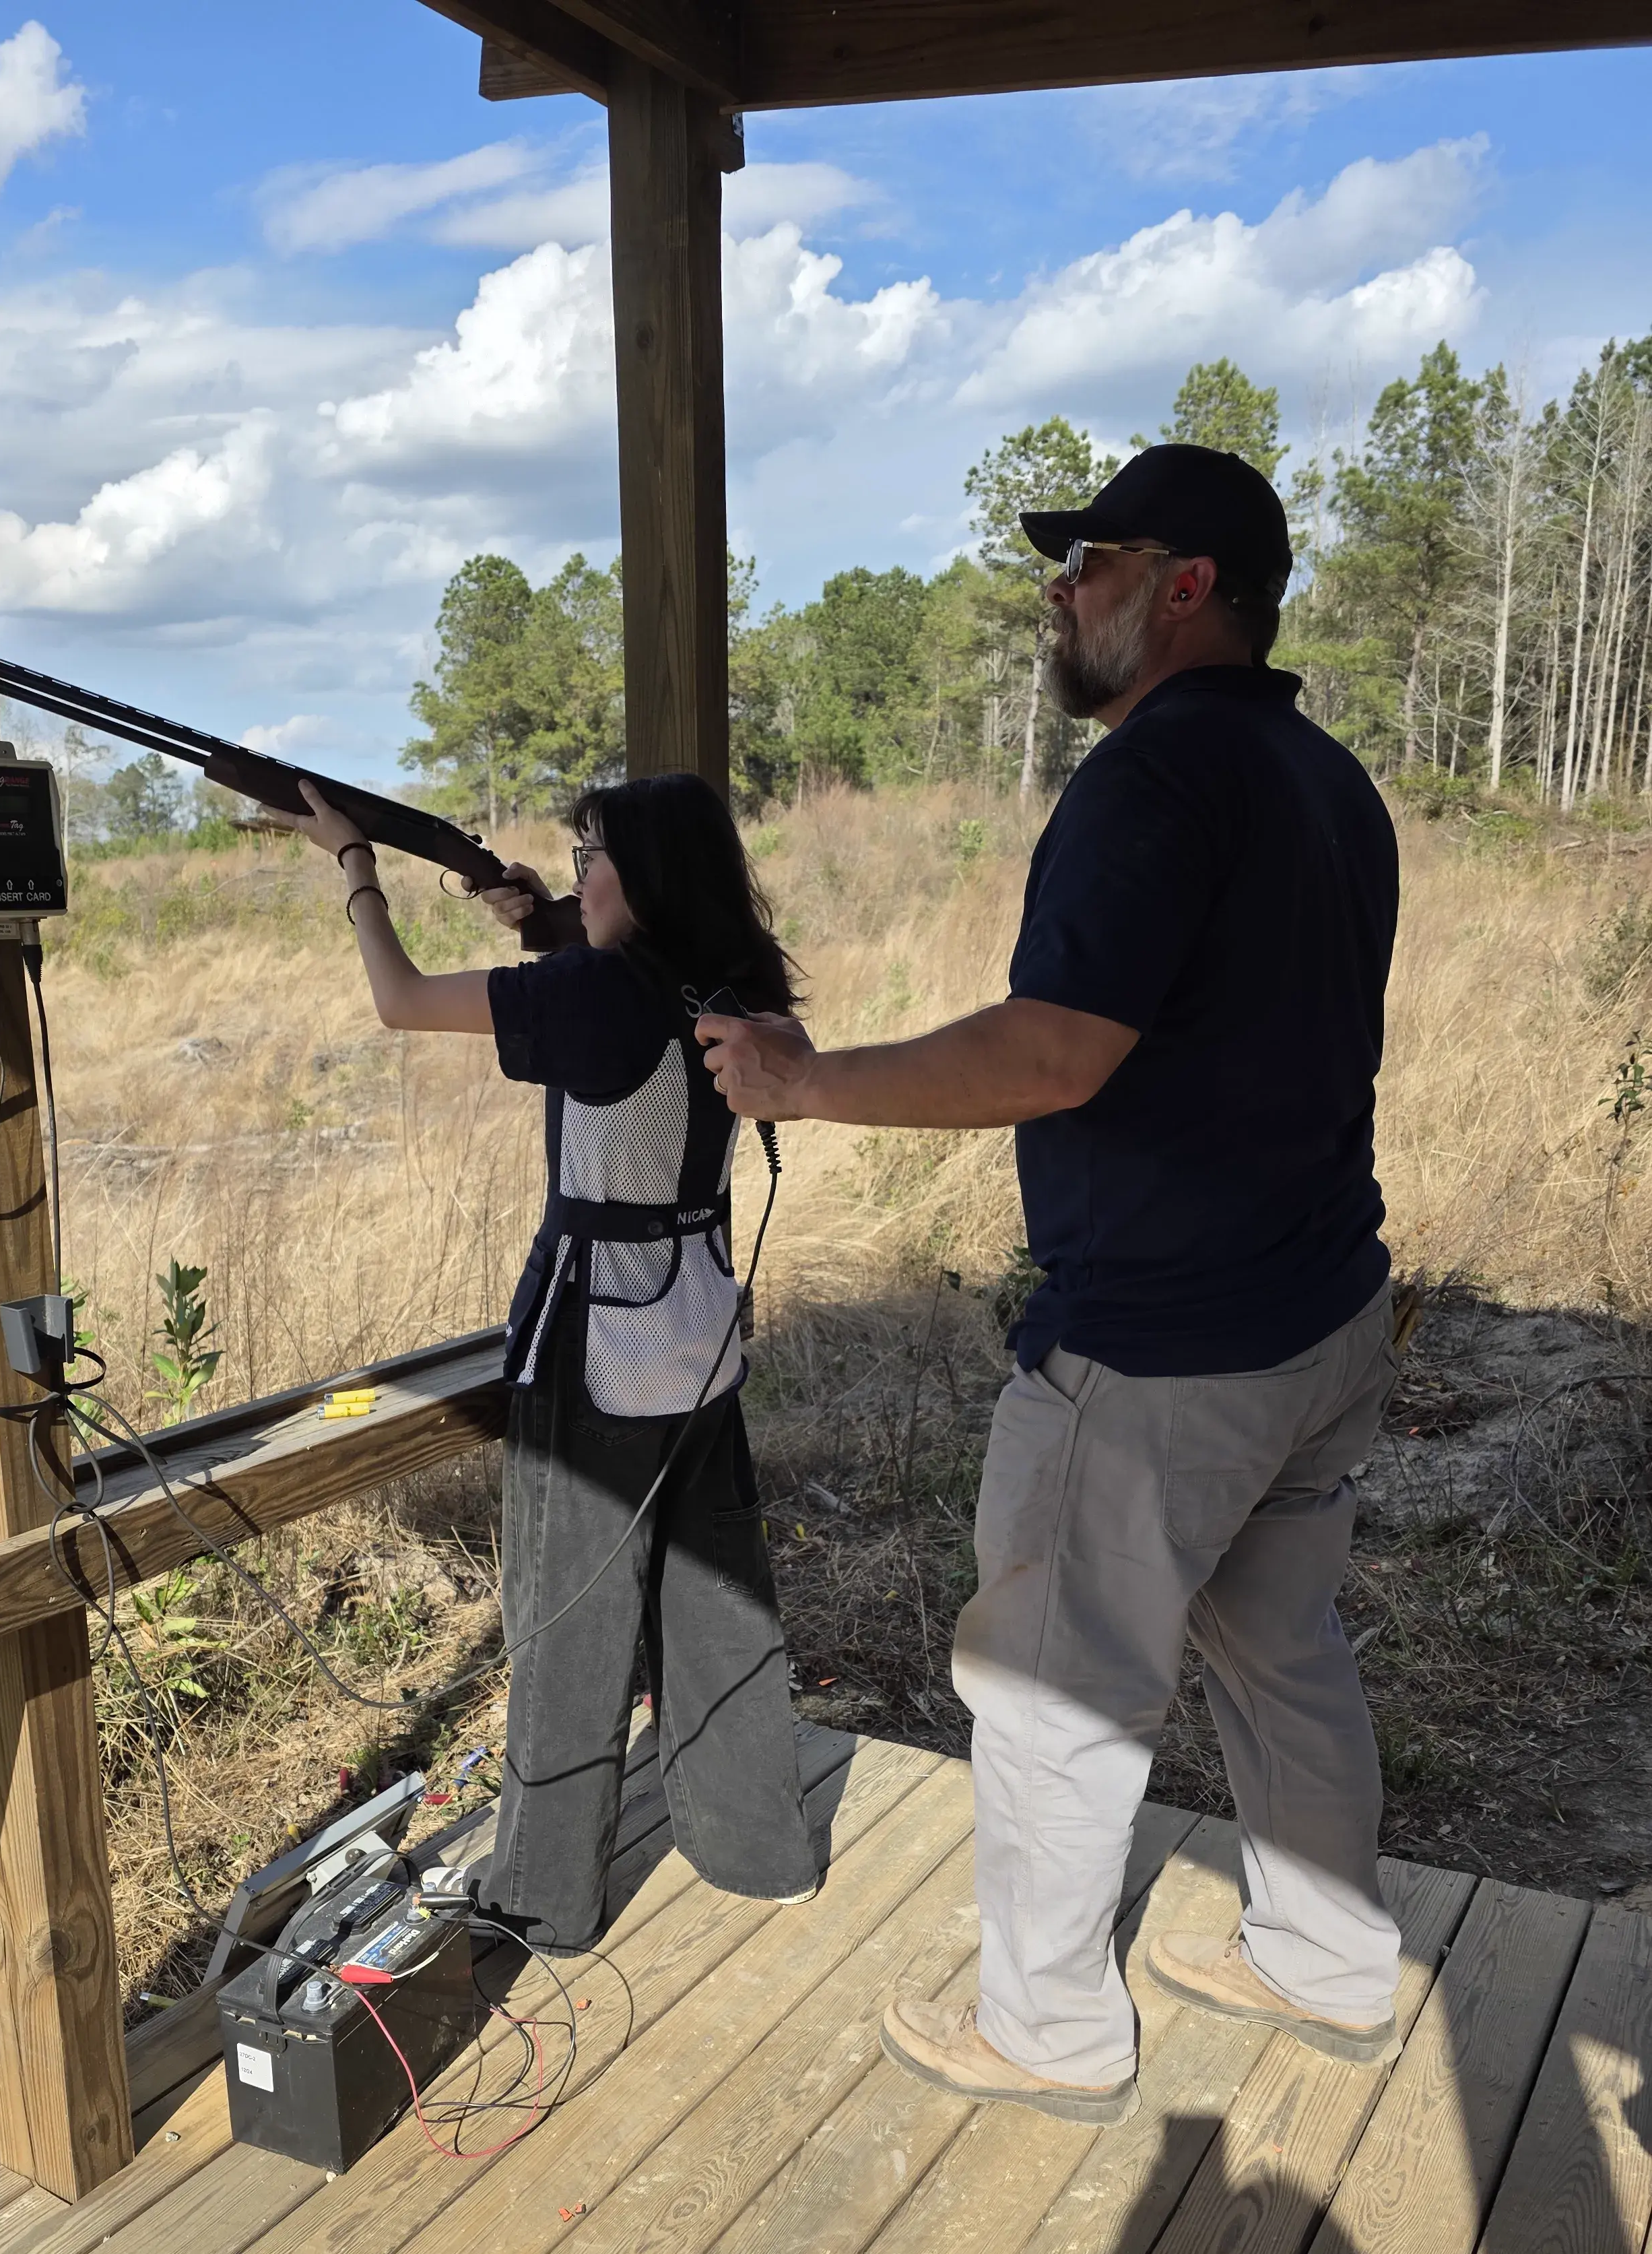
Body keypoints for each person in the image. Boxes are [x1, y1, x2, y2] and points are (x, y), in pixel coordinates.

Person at [700, 443, 1404, 2125]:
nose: (1057, 590)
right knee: (1282, 1647)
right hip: (1322, 1313)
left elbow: (1054, 1050)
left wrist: (804, 1079)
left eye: (1089, 561)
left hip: (1165, 1349)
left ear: (1185, 587)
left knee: (1050, 1686)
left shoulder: (1151, 778)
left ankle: (1046, 2028)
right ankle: (1327, 1961)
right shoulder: (1327, 779)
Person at [271, 768, 817, 1950]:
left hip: (596, 1340)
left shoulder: (598, 992)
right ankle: (757, 1850)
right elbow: (634, 1005)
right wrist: (543, 920)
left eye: (590, 861)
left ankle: (543, 1898)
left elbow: (400, 1001)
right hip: (696, 1326)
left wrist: (357, 866)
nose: (579, 879)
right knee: (715, 1604)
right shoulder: (733, 977)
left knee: (566, 1622)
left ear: (643, 876)